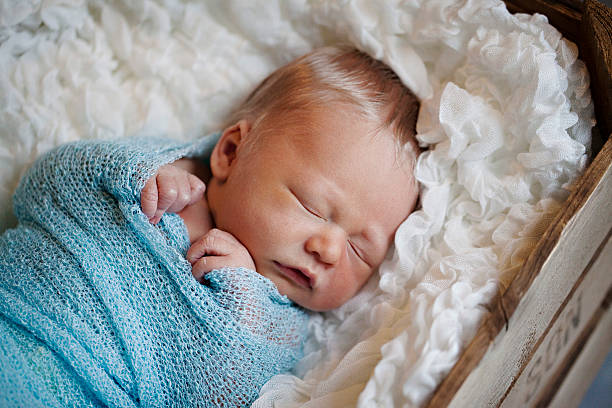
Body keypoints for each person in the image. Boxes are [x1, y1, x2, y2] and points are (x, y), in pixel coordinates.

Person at [0, 45, 420, 407]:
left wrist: (244, 293)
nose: (328, 249)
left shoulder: (276, 325)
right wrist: (137, 176)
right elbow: (42, 188)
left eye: (358, 250)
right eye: (311, 206)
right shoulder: (154, 167)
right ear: (232, 151)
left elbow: (217, 395)